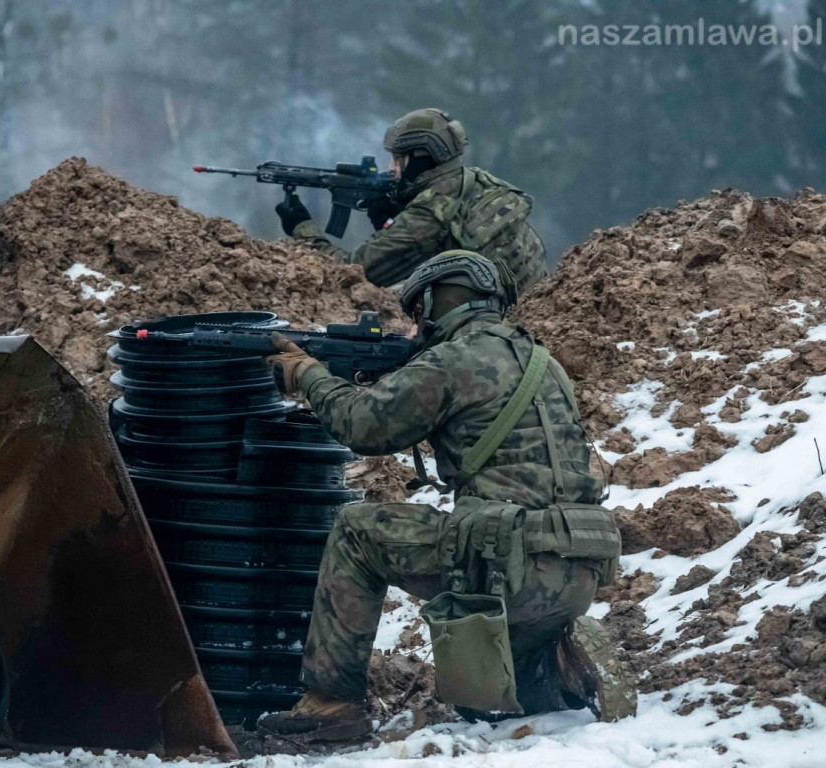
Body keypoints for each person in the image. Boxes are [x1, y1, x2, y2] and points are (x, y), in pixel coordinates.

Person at [258, 250, 636, 742]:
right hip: (576, 567)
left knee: (357, 531)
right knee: (489, 708)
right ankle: (548, 668)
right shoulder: (545, 363)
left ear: (437, 303)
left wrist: (309, 375)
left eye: (417, 315)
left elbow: (364, 427)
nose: (415, 329)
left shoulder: (454, 359)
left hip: (508, 565)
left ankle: (332, 705)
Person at [275, 108, 547, 293]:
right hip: (530, 307)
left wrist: (303, 229)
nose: (391, 169)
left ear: (420, 157)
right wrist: (388, 219)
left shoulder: (427, 215)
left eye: (397, 159)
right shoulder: (473, 182)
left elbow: (349, 275)